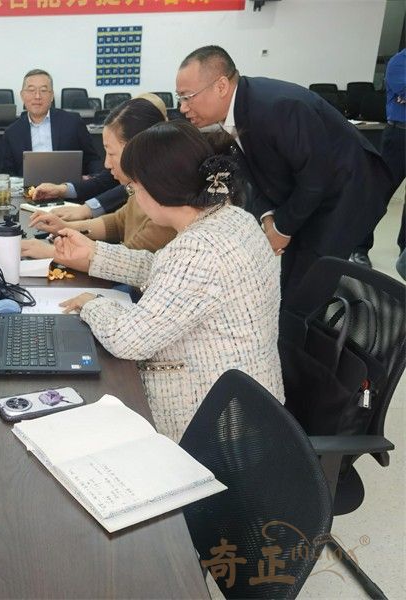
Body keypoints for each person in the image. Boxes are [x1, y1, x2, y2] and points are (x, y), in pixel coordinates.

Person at [54, 120, 284, 441]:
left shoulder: (199, 248)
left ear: (158, 188)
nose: (135, 198)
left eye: (134, 188)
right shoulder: (233, 218)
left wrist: (93, 305)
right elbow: (165, 272)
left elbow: (127, 339)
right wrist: (94, 255)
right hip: (245, 404)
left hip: (213, 425)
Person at [175, 45, 393, 304]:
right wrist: (269, 217)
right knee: (291, 278)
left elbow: (315, 179)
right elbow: (256, 172)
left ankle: (301, 324)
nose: (183, 107)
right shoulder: (237, 108)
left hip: (346, 191)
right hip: (309, 191)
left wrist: (282, 227)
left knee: (310, 281)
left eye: (188, 97)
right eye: (180, 98)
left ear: (221, 86)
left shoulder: (277, 108)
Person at [21, 98, 175, 265]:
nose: (107, 164)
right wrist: (64, 227)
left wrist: (50, 252)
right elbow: (118, 222)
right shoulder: (141, 188)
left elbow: (128, 265)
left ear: (138, 150)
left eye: (112, 153)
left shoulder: (168, 206)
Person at [29, 93, 168, 220]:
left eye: (111, 153)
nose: (107, 163)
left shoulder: (163, 198)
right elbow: (105, 181)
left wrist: (87, 210)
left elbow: (125, 193)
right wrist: (62, 190)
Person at [0, 69, 103, 177]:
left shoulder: (73, 122)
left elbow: (92, 160)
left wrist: (91, 177)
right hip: (29, 187)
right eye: (31, 90)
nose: (37, 96)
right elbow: (8, 172)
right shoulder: (12, 133)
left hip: (67, 185)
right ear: (22, 95)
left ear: (52, 95)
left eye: (43, 90)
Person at [381, 49, 406, 260]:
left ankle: (404, 250)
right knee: (380, 193)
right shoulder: (399, 62)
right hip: (399, 136)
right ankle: (360, 247)